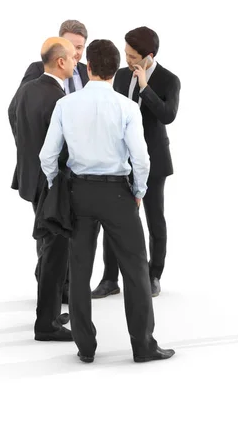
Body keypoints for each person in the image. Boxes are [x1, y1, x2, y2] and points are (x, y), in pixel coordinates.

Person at [39, 39, 175, 363]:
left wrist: (57, 185)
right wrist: (139, 191)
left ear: (88, 68)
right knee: (136, 272)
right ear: (116, 71)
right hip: (118, 194)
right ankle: (143, 346)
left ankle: (85, 348)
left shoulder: (65, 105)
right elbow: (141, 160)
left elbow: (47, 156)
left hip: (78, 192)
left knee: (80, 270)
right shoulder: (127, 107)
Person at [16, 19, 112, 303]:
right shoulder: (38, 72)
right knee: (49, 231)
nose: (77, 53)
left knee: (73, 232)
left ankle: (65, 288)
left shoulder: (86, 72)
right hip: (45, 169)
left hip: (79, 171)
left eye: (80, 48)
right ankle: (48, 290)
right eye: (71, 47)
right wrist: (33, 150)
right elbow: (17, 113)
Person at [91, 26, 181, 299]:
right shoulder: (118, 76)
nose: (127, 60)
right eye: (126, 54)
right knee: (114, 218)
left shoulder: (168, 80)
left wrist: (144, 87)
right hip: (119, 159)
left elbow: (168, 115)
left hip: (153, 160)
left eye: (132, 56)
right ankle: (109, 278)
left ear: (148, 56)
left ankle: (154, 275)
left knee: (154, 219)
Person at [8, 37, 77, 341]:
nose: (77, 64)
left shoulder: (26, 89)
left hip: (30, 179)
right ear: (60, 61)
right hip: (52, 186)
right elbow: (63, 149)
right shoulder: (59, 100)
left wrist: (26, 151)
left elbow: (13, 116)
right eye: (73, 58)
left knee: (49, 249)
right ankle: (46, 324)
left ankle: (48, 312)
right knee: (55, 252)